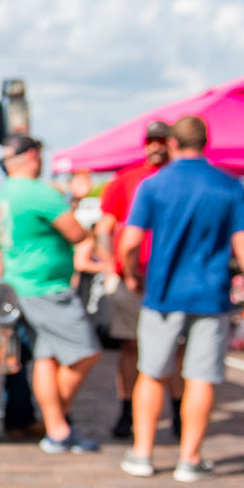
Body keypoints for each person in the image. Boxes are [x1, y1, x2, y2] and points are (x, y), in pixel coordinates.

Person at [118, 115, 244, 481]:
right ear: (206, 142)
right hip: (210, 294)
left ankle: (142, 454)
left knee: (151, 373)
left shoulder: (155, 185)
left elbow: (130, 241)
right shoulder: (228, 186)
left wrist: (130, 273)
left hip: (163, 293)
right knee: (201, 377)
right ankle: (190, 458)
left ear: (171, 143)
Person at [0, 134, 101, 453]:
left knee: (46, 358)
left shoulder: (6, 192)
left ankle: (57, 431)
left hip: (22, 283)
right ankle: (55, 420)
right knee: (86, 351)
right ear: (33, 156)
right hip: (46, 286)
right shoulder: (39, 192)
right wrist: (75, 201)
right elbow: (76, 233)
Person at [95, 120, 184, 441]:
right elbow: (105, 227)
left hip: (171, 277)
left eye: (162, 140)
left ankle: (178, 414)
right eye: (152, 140)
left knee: (176, 350)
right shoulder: (127, 179)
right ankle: (128, 412)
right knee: (131, 347)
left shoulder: (179, 178)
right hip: (133, 277)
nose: (156, 146)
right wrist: (111, 267)